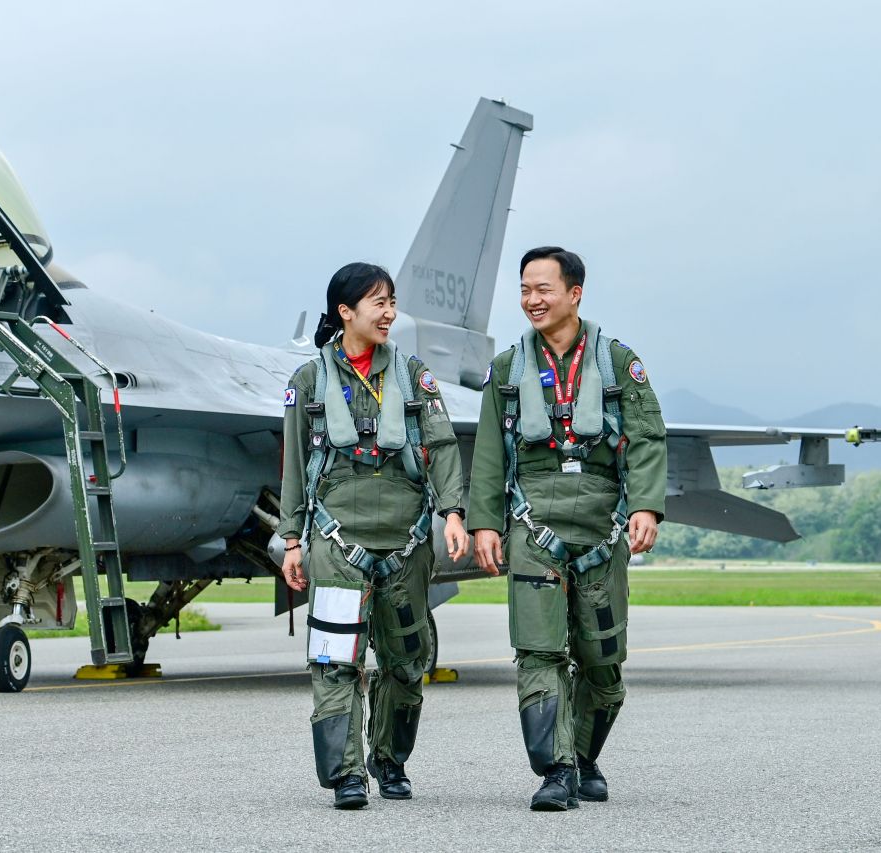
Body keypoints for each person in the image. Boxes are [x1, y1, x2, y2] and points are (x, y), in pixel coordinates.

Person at [467, 246, 667, 811]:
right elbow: (488, 454)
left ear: (575, 294)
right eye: (525, 290)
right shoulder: (507, 370)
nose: (532, 300)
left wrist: (645, 506)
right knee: (539, 653)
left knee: (603, 660)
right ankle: (554, 771)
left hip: (602, 523)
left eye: (543, 290)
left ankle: (582, 756)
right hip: (534, 523)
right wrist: (485, 522)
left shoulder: (618, 363)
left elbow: (647, 437)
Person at [278, 261, 469, 810]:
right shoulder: (309, 382)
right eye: (378, 303)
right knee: (336, 660)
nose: (389, 313)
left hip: (407, 543)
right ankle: (347, 775)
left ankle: (390, 761)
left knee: (407, 661)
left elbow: (442, 446)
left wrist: (452, 512)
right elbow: (293, 465)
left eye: (392, 302)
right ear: (346, 312)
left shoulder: (413, 376)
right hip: (337, 541)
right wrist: (293, 539)